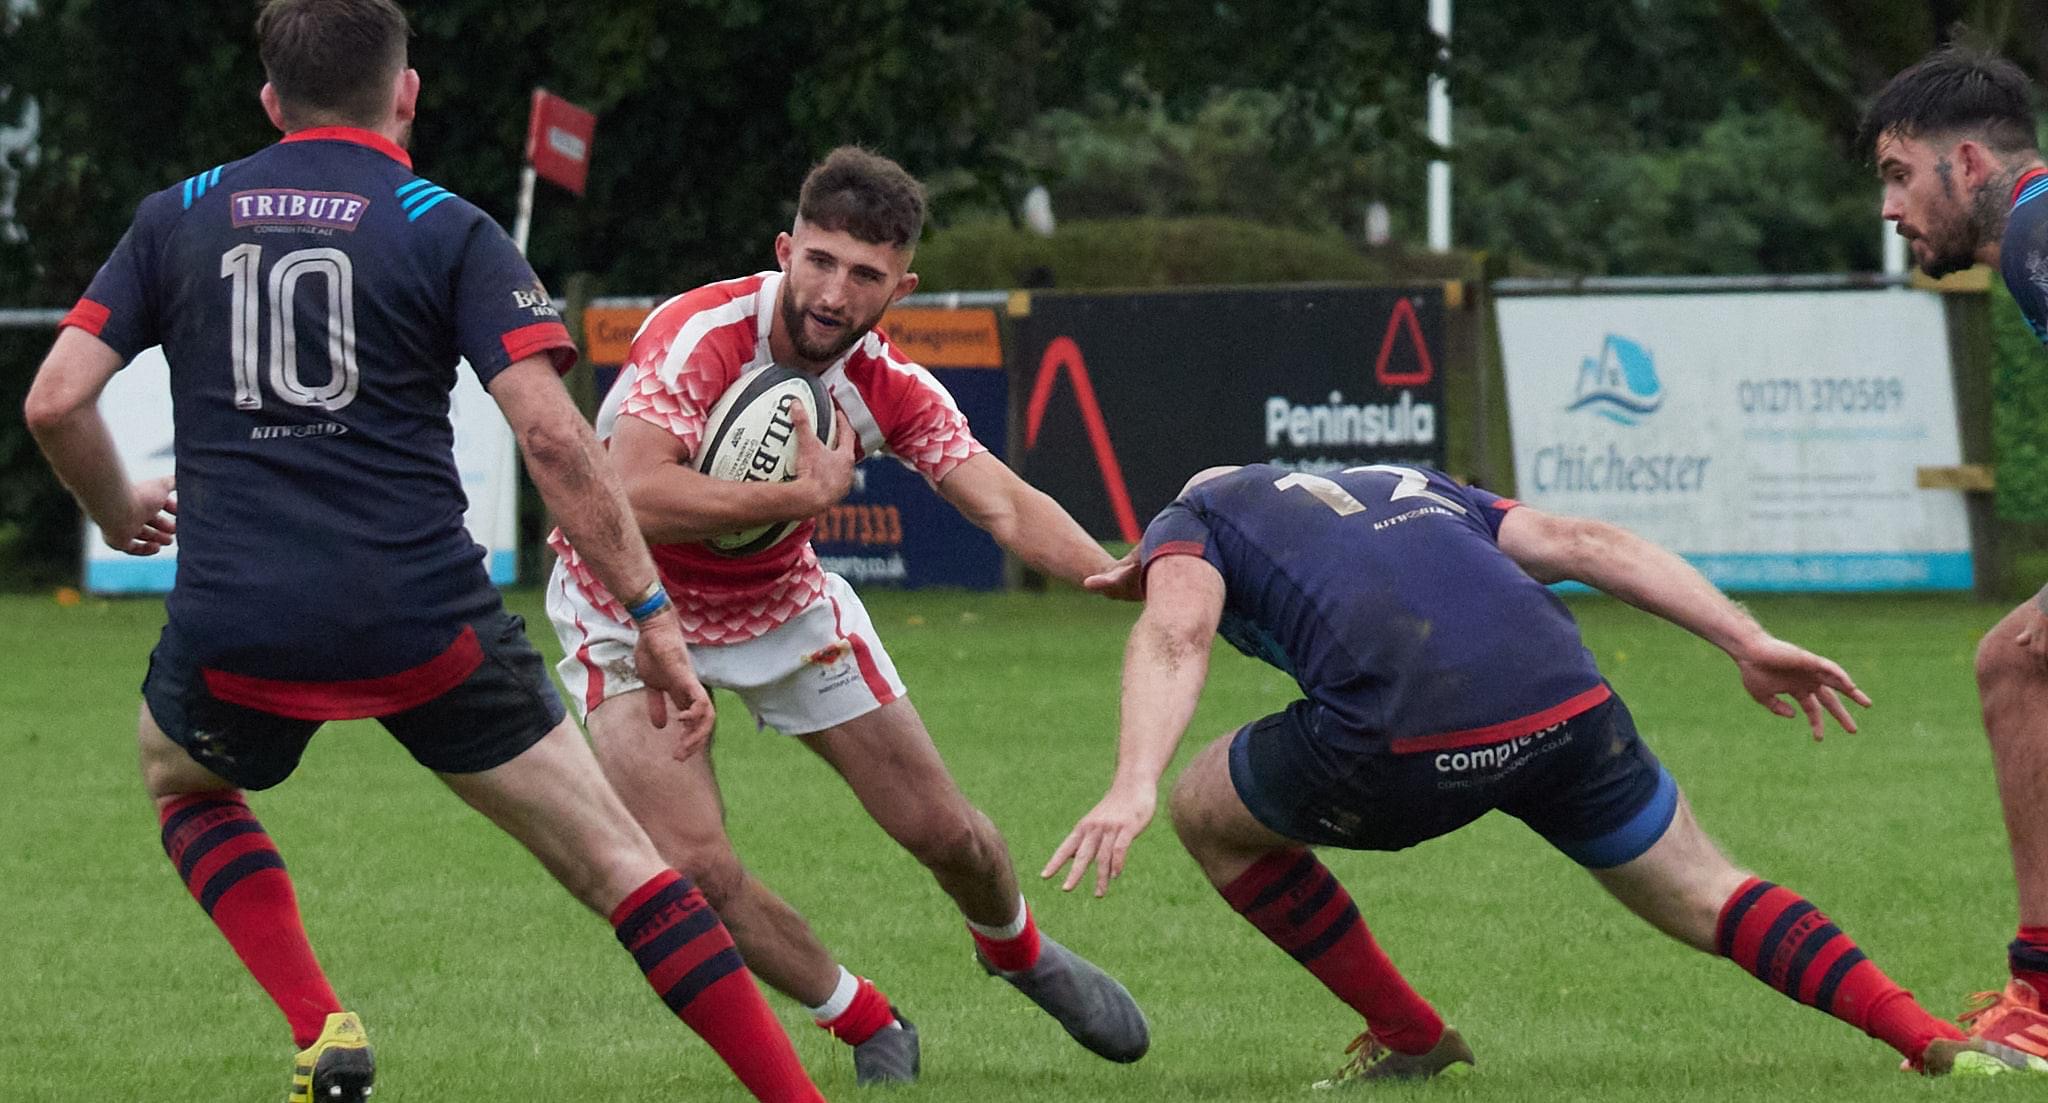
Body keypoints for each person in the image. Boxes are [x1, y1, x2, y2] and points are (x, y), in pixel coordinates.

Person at [20, 3, 823, 1101]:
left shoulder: (181, 213)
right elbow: (555, 441)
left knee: (182, 778)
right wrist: (650, 612)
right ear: (405, 93)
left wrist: (117, 510)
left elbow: (54, 400)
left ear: (271, 101)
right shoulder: (446, 225)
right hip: (422, 621)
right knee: (620, 864)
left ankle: (322, 1024)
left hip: (237, 624)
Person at [1044, 462, 2048, 1083]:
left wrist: (1135, 779)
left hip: (1398, 739)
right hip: (1563, 703)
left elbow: (1176, 634)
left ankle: (1408, 1033)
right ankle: (1926, 1037)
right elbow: (1583, 542)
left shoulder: (1197, 512)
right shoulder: (1412, 482)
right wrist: (1743, 637)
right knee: (1708, 887)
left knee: (1205, 807)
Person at [544, 145, 1150, 1085]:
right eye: (820, 261)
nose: (833, 293)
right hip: (624, 606)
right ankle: (865, 1018)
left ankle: (1017, 949)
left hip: (783, 608)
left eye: (865, 275)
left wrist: (1116, 574)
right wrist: (796, 497)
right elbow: (630, 493)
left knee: (949, 833)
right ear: (785, 249)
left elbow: (1002, 502)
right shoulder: (700, 334)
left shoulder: (890, 385)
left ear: (900, 288)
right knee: (693, 869)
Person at [1860, 47, 2048, 1057]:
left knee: (2016, 662)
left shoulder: (2033, 232)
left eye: (1898, 175)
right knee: (2014, 660)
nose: (1890, 208)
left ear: (1966, 162)